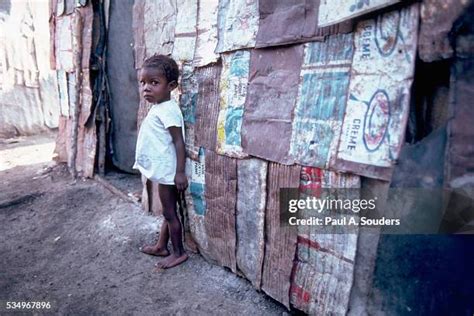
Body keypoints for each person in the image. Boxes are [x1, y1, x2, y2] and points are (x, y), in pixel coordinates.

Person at [134, 54, 188, 269]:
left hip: (169, 172)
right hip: (165, 169)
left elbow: (178, 142)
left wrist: (180, 173)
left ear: (171, 86)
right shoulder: (160, 107)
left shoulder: (169, 111)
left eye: (154, 83)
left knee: (169, 214)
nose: (147, 88)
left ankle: (179, 253)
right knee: (169, 210)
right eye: (144, 83)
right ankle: (161, 246)